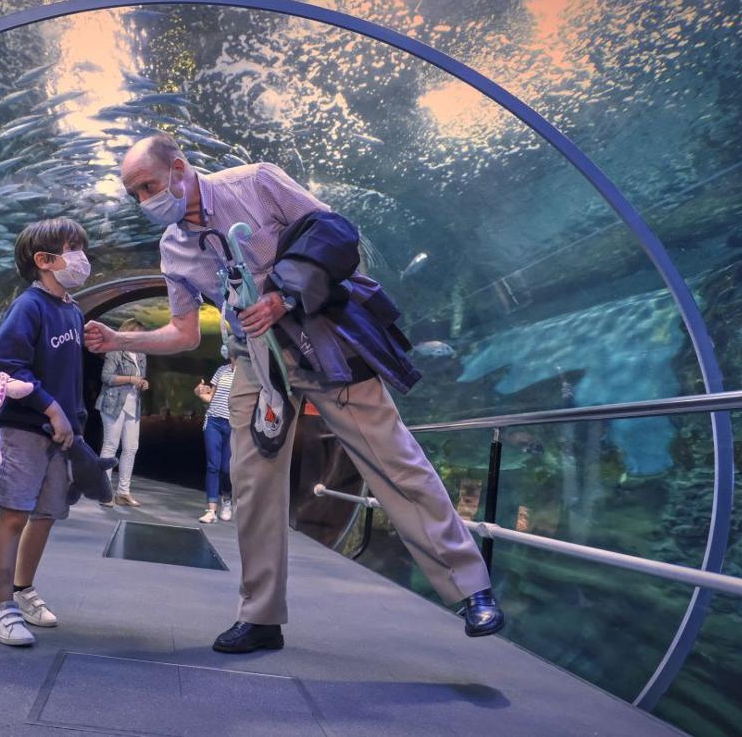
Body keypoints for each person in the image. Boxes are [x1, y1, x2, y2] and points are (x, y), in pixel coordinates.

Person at [85, 133, 503, 653]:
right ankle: (260, 615)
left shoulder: (255, 182)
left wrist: (283, 296)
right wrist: (121, 339)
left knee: (394, 459)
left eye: (149, 185)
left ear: (179, 167)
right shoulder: (173, 250)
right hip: (254, 360)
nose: (145, 200)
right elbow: (185, 332)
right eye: (135, 194)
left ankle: (471, 589)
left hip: (322, 343)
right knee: (253, 485)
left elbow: (334, 235)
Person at [0, 217, 91, 646]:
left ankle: (22, 589)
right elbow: (10, 365)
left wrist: (73, 421)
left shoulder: (73, 308)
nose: (82, 257)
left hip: (61, 434)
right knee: (14, 514)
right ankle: (0, 608)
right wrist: (51, 409)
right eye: (73, 248)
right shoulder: (29, 306)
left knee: (46, 514)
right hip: (26, 428)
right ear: (44, 260)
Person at [95, 319, 149, 507]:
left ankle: (123, 492)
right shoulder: (115, 352)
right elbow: (106, 377)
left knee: (131, 448)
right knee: (110, 445)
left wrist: (143, 383)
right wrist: (131, 378)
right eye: (137, 333)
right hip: (113, 403)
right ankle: (104, 490)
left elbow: (139, 379)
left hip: (133, 405)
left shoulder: (141, 355)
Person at [193, 350, 235, 523]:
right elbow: (211, 397)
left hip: (234, 424)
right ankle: (211, 509)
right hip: (214, 422)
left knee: (226, 468)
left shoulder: (249, 374)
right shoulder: (221, 370)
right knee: (213, 465)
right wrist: (199, 392)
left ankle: (226, 498)